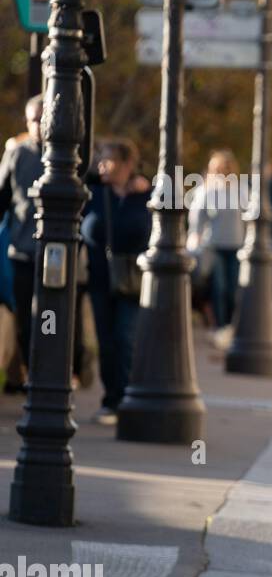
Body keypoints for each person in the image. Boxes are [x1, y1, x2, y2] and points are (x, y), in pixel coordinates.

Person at [82, 139, 152, 424]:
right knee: (106, 341)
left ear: (127, 165)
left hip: (132, 280)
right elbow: (77, 171)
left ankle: (127, 398)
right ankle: (111, 399)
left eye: (108, 159)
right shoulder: (95, 191)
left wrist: (143, 186)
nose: (101, 164)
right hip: (99, 278)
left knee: (126, 338)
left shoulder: (145, 195)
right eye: (100, 158)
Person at [0, 95, 45, 375]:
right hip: (22, 251)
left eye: (43, 118)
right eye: (34, 120)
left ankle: (50, 371)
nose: (39, 125)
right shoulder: (18, 154)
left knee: (50, 318)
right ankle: (33, 373)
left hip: (57, 255)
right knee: (27, 321)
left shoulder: (71, 153)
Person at [187, 149, 247, 333]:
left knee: (233, 289)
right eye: (217, 168)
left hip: (236, 245)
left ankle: (231, 326)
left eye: (225, 168)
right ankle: (220, 327)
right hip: (213, 246)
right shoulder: (205, 190)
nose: (221, 172)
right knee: (219, 288)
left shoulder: (240, 189)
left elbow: (248, 213)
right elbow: (197, 218)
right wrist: (194, 239)